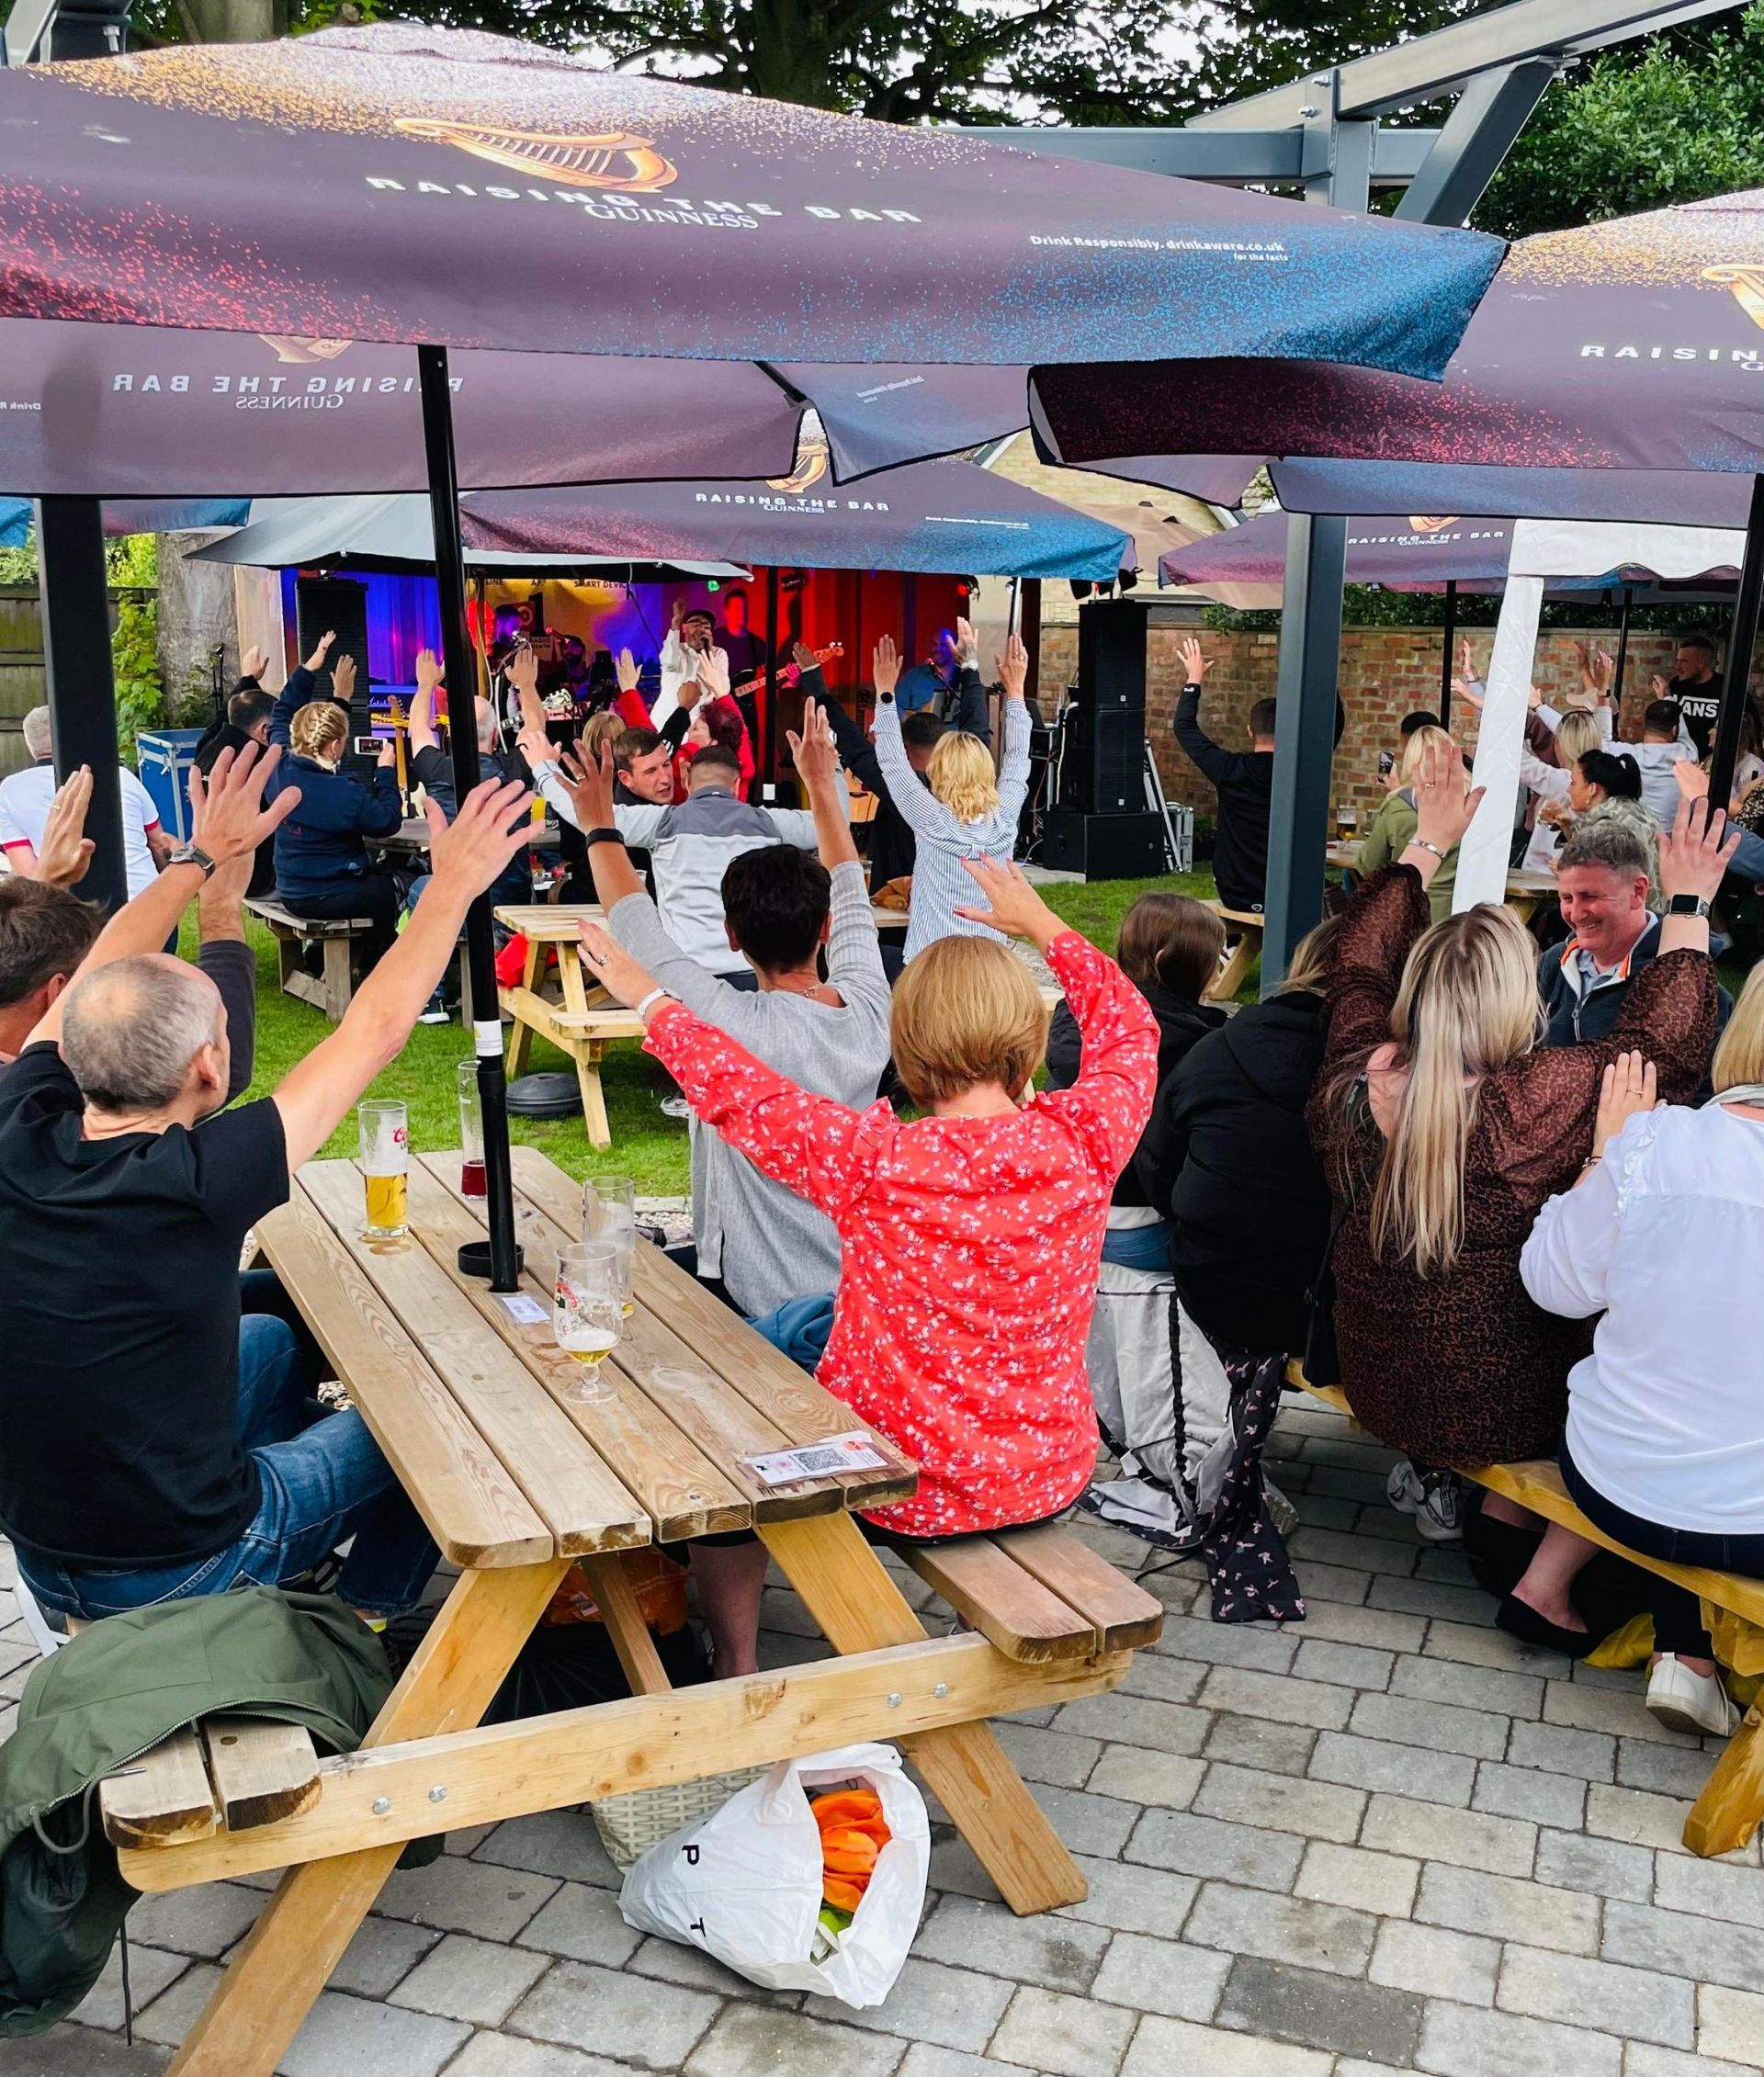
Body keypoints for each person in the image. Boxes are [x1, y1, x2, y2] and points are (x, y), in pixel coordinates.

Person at [575, 853, 1157, 1673]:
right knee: (800, 1326)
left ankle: (734, 1662)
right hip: (1043, 1470)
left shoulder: (873, 1160)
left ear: (907, 1046)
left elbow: (744, 1090)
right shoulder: (1085, 1138)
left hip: (902, 1483)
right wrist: (1045, 925)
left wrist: (651, 1000)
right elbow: (1132, 1027)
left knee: (735, 1403)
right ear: (1028, 1039)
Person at [0, 745, 538, 1631]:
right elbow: (375, 1031)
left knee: (277, 1344)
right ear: (211, 1065)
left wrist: (198, 860)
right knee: (439, 1406)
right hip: (172, 1570)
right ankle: (360, 1619)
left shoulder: (18, 1116)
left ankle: (282, 1577)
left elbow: (104, 969)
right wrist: (450, 888)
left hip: (44, 1558)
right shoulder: (198, 1182)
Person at [1307, 742, 1727, 1563]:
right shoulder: (1534, 1103)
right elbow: (1665, 1048)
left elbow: (1354, 966)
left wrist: (1425, 844)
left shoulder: (1351, 1077)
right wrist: (1690, 900)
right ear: (1514, 1001)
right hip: (1498, 1409)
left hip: (1378, 1381)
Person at [576, 706, 890, 1324]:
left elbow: (639, 926)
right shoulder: (870, 1008)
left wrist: (597, 822)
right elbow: (849, 882)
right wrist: (822, 785)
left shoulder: (731, 1024)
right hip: (859, 1285)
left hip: (767, 1309)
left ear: (729, 936)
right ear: (826, 928)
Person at [1519, 1000, 1764, 1732]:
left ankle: (1685, 1650)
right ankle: (1686, 1652)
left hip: (1614, 1477)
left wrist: (1604, 1154)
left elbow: (1553, 1287)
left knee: (1693, 1409)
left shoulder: (1653, 1142)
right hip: (1740, 1517)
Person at [1044, 893, 1225, 1546]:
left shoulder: (1070, 1022)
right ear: (1185, 963)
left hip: (1080, 1221)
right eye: (1216, 956)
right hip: (1144, 1228)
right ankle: (1196, 1455)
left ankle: (1124, 1441)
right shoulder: (1200, 1044)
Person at [1138, 914, 1340, 1367]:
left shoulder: (1214, 1048)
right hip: (1309, 1310)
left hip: (1206, 1282)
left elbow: (1157, 1163)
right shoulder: (1376, 1078)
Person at [523, 715, 820, 988]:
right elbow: (834, 822)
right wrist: (825, 769)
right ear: (737, 784)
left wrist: (543, 767)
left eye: (666, 767)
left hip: (685, 980)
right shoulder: (769, 823)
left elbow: (583, 812)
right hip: (756, 974)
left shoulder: (663, 822)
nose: (664, 778)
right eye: (652, 770)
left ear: (687, 782)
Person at [870, 630, 1031, 963]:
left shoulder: (931, 820)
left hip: (932, 965)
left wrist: (885, 693)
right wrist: (1015, 693)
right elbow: (1017, 758)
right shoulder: (1004, 819)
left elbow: (891, 760)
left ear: (937, 772)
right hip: (989, 964)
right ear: (985, 769)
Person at [801, 634, 986, 895]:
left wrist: (817, 687)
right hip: (961, 902)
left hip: (902, 907)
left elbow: (856, 748)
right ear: (944, 744)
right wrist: (970, 667)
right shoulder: (971, 785)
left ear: (904, 749)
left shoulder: (905, 793)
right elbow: (978, 733)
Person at [266, 630, 406, 965]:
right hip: (330, 893)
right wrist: (386, 771)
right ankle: (379, 960)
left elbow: (281, 713)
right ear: (334, 746)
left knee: (378, 877)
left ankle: (327, 958)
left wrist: (311, 669)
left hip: (292, 888)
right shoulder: (344, 793)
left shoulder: (278, 763)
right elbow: (387, 821)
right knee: (394, 887)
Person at [1540, 816, 1726, 1047]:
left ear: (1638, 891)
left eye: (1590, 896)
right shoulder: (1554, 963)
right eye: (1567, 898)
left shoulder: (1685, 979)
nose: (1576, 914)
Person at [0, 706, 169, 898]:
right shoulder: (122, 776)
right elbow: (159, 843)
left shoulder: (10, 790)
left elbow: (29, 875)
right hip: (147, 900)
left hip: (74, 913)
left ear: (31, 745)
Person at [194, 653, 279, 897]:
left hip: (218, 872)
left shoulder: (207, 747)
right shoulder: (262, 763)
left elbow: (227, 715)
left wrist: (248, 679)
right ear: (264, 731)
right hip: (261, 880)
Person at [1356, 725, 1462, 920]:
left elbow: (1368, 864)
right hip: (1459, 916)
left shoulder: (1396, 807)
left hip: (1406, 916)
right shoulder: (1468, 804)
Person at [655, 599, 729, 733]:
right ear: (684, 628)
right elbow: (668, 661)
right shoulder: (677, 651)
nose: (701, 629)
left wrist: (708, 651)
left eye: (706, 626)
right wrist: (676, 622)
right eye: (695, 623)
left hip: (698, 729)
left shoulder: (718, 654)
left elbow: (723, 689)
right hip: (665, 723)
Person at [1630, 698, 1699, 827]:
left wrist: (1602, 696)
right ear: (1674, 730)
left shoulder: (1632, 755)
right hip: (1675, 837)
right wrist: (1667, 696)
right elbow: (1683, 733)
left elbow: (1603, 742)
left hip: (1641, 835)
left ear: (1644, 724)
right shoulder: (1688, 753)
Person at [1656, 632, 1722, 757]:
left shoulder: (1724, 688)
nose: (1677, 666)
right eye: (1677, 660)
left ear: (1701, 663)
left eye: (1684, 661)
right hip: (1679, 761)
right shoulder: (1676, 685)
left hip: (1712, 764)